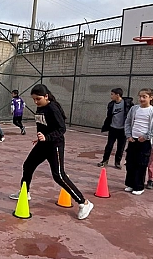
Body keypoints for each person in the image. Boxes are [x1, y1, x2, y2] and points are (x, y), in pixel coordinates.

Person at [8, 84, 94, 220]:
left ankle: (84, 203)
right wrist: (39, 138)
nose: (36, 102)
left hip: (55, 145)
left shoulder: (53, 108)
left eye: (38, 99)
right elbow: (42, 124)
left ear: (46, 96)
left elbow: (61, 129)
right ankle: (25, 192)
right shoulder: (41, 107)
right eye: (34, 99)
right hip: (43, 144)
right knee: (28, 165)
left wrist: (47, 137)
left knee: (58, 175)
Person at [123, 88, 153, 195]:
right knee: (130, 163)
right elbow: (127, 122)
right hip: (133, 140)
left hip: (144, 142)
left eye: (144, 97)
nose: (141, 99)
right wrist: (129, 135)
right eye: (140, 96)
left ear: (151, 98)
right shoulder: (134, 109)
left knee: (141, 164)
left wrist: (146, 136)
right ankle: (130, 184)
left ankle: (139, 187)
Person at [98, 88, 134, 169]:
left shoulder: (127, 104)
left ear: (117, 95)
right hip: (113, 128)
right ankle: (104, 160)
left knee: (120, 147)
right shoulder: (111, 104)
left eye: (112, 94)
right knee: (109, 145)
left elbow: (131, 115)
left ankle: (117, 162)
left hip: (123, 129)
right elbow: (109, 116)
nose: (111, 96)